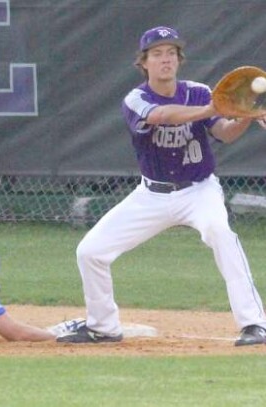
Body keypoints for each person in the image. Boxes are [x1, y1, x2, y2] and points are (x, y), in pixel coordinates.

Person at [57, 26, 266, 346]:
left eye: (171, 53)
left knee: (220, 233)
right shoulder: (136, 99)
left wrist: (245, 117)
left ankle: (255, 325)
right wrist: (212, 108)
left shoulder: (198, 91)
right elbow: (163, 116)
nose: (165, 59)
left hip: (199, 190)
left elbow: (223, 132)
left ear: (179, 59)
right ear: (144, 62)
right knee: (91, 252)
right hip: (152, 195)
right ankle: (104, 327)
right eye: (157, 54)